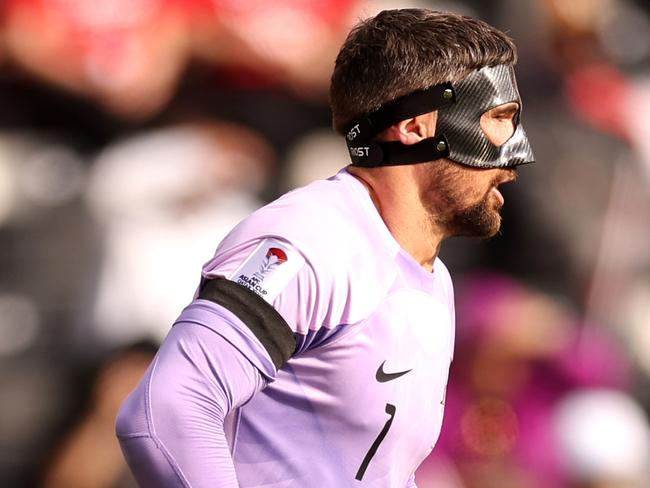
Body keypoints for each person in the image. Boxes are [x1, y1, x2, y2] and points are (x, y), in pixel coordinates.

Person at [115, 8, 534, 487]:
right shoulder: (309, 240)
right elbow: (166, 410)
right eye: (499, 119)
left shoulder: (432, 277)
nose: (520, 152)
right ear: (417, 126)